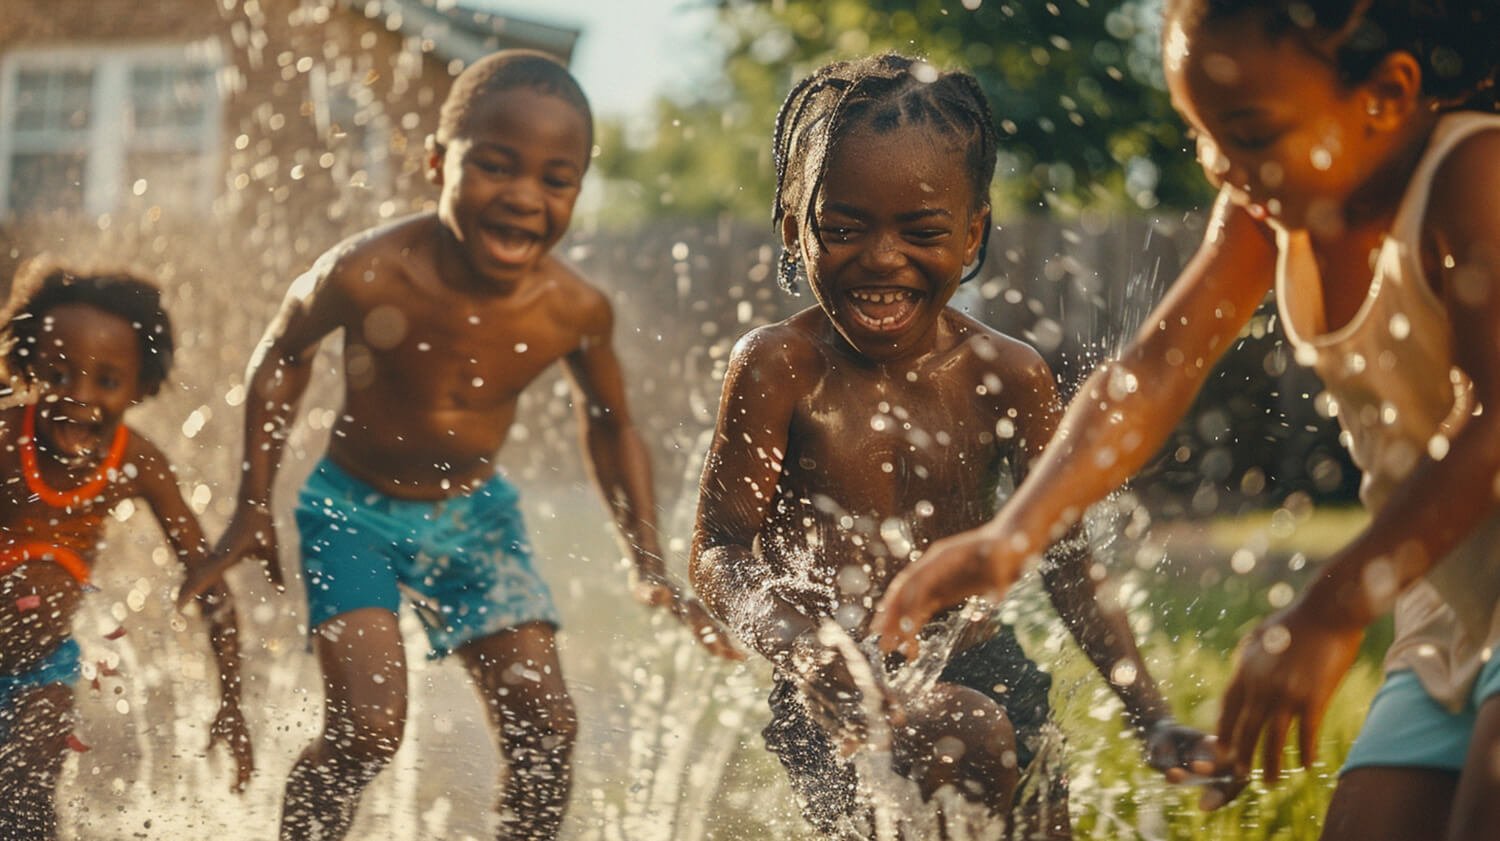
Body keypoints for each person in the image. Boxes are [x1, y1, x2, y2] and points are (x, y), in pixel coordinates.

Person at [874, 1, 1500, 837]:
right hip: (1453, 607)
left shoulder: (1474, 174)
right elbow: (1154, 374)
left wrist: (1332, 606)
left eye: (1247, 131)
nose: (1218, 165)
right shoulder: (1267, 209)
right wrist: (1012, 536)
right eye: (1200, 132)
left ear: (1386, 93)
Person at [184, 49, 740, 841]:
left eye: (556, 180)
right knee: (368, 730)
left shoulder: (574, 308)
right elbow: (283, 351)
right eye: (495, 166)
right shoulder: (370, 270)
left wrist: (645, 556)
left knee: (548, 729)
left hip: (476, 517)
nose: (523, 197)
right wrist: (251, 501)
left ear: (579, 190)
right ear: (438, 163)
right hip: (353, 512)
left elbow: (612, 423)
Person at [690, 53, 1222, 840]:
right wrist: (801, 643)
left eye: (923, 231)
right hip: (837, 687)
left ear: (974, 230)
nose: (880, 257)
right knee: (961, 732)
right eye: (841, 228)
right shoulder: (778, 367)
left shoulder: (1006, 373)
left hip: (990, 663)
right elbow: (717, 549)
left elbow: (1066, 557)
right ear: (792, 223)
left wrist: (1153, 715)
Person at [0, 265, 251, 839]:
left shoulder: (135, 463)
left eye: (108, 382)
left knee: (31, 792)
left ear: (141, 386)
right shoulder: (5, 442)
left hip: (42, 667)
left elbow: (208, 578)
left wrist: (231, 704)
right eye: (58, 373)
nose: (81, 398)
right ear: (26, 368)